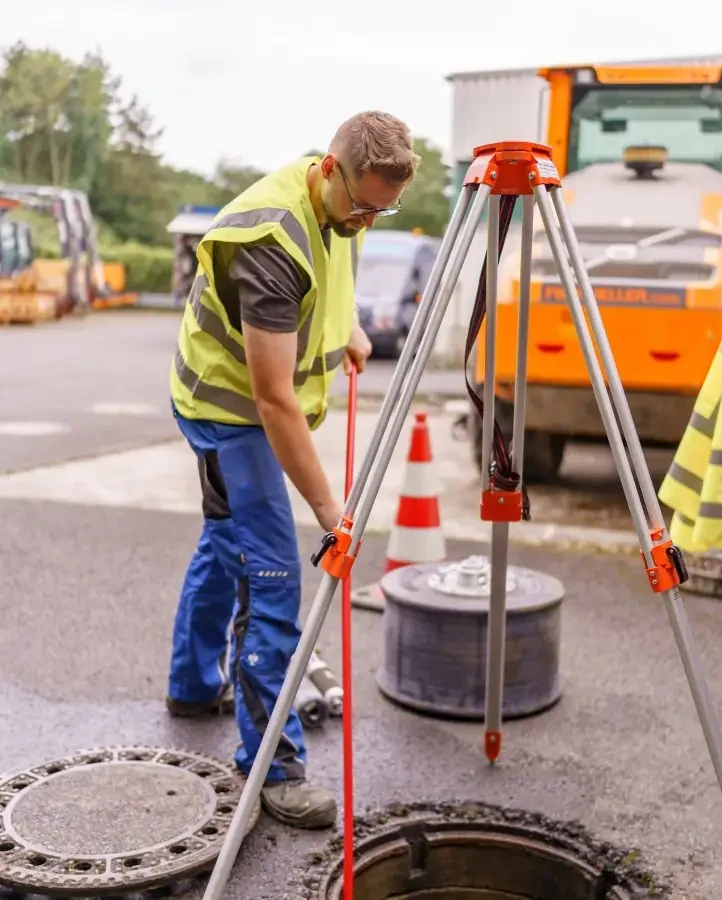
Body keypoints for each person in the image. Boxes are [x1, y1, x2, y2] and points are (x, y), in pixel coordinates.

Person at [164, 111, 419, 830]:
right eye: (362, 204)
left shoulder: (339, 209)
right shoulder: (270, 242)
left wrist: (346, 334)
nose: (369, 221)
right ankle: (272, 768)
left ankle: (191, 686)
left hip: (244, 402)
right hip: (231, 411)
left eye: (384, 209)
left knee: (226, 542)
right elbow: (274, 401)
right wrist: (329, 510)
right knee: (273, 570)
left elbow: (326, 280)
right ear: (329, 170)